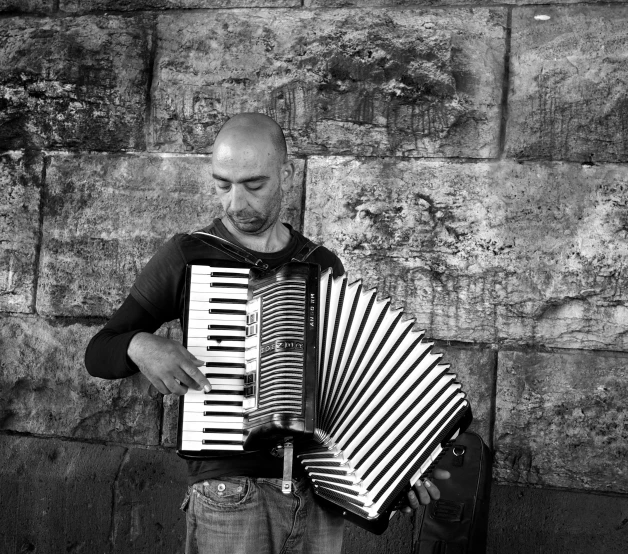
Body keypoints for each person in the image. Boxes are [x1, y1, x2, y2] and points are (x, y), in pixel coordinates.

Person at [85, 113, 448, 554]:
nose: (236, 203)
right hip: (230, 496)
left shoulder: (322, 266)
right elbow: (99, 351)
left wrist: (399, 474)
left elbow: (353, 389)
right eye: (223, 184)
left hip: (318, 500)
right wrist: (140, 345)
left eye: (254, 185)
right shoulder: (189, 255)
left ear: (287, 174)